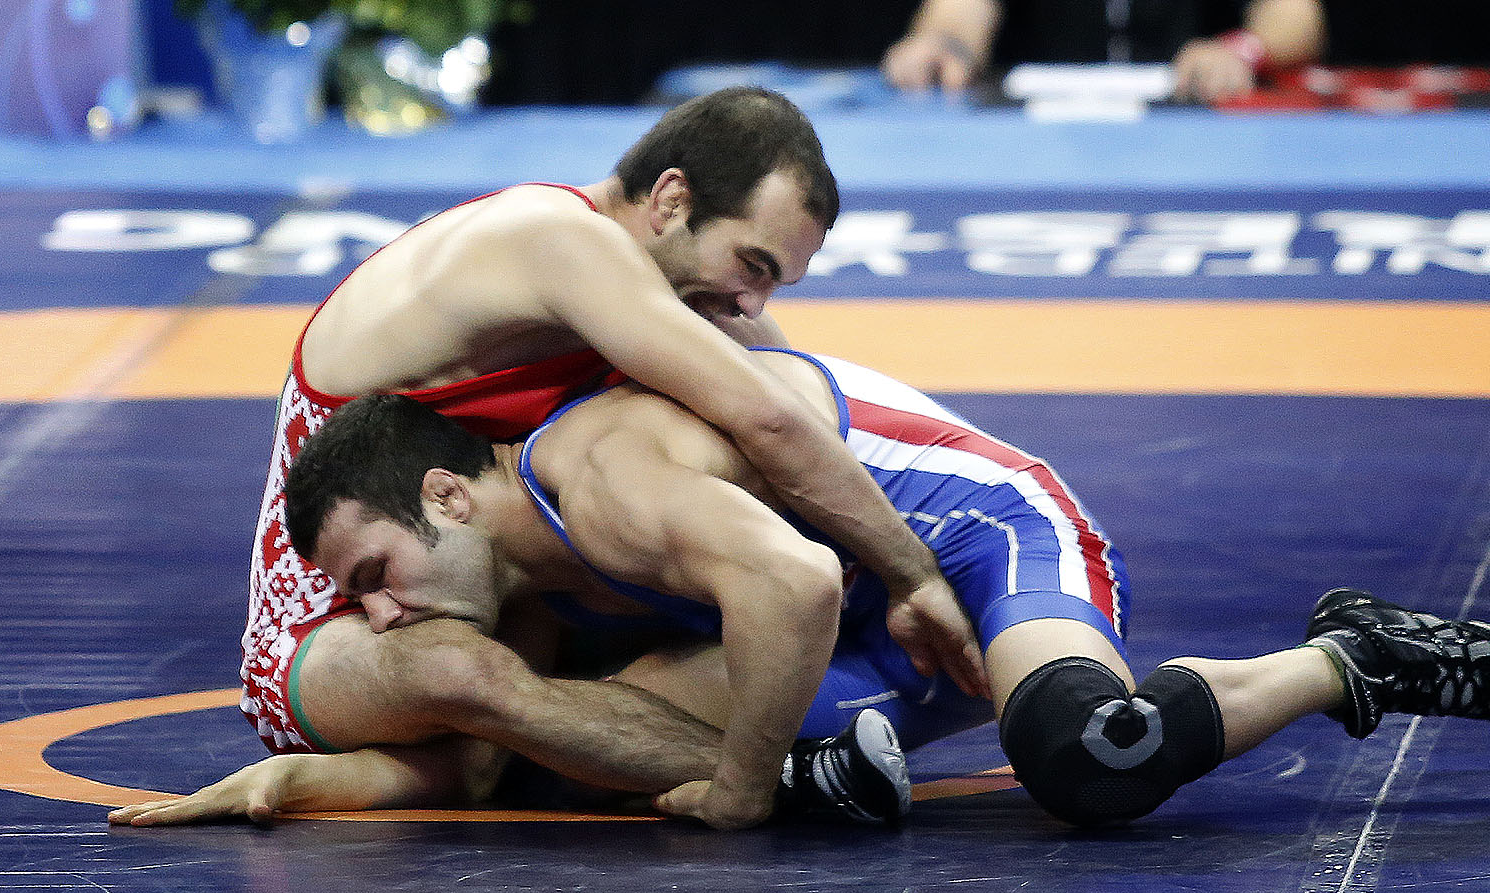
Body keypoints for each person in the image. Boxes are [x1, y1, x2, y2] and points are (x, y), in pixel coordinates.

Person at [112, 348, 1490, 830]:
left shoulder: (597, 474)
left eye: (373, 577)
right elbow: (478, 768)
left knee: (1092, 758)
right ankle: (815, 768)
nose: (379, 616)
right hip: (844, 606)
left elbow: (790, 575)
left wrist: (738, 787)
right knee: (591, 752)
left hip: (972, 535)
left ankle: (1352, 661)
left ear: (448, 495)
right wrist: (294, 782)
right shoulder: (510, 588)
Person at [239, 87, 983, 819]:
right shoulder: (557, 241)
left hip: (476, 570)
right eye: (751, 265)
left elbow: (792, 408)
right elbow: (771, 422)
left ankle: (460, 763)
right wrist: (913, 575)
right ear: (670, 200)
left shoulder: (674, 295)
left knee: (515, 733)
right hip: (337, 606)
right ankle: (786, 778)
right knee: (462, 673)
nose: (752, 301)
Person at [880, 0, 1324, 103]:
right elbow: (961, 8)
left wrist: (1240, 50)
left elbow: (1295, 14)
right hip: (1033, 134)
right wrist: (945, 43)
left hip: (1197, 116)